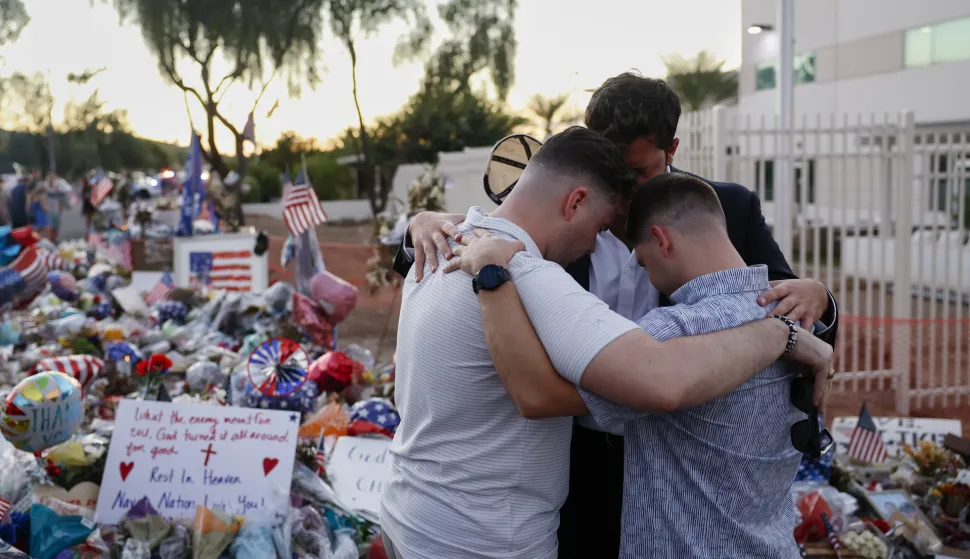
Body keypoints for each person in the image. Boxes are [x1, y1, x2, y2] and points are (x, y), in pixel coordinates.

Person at [394, 72, 840, 558]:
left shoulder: (719, 208)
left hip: (680, 461)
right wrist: (422, 224)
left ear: (671, 150)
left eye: (638, 173)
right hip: (573, 459)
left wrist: (818, 299)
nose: (625, 196)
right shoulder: (534, 255)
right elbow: (495, 238)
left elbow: (776, 296)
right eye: (611, 178)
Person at [446, 172, 810, 558]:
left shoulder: (671, 333)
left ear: (660, 240)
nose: (645, 274)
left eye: (641, 259)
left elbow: (539, 396)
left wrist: (492, 275)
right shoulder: (798, 316)